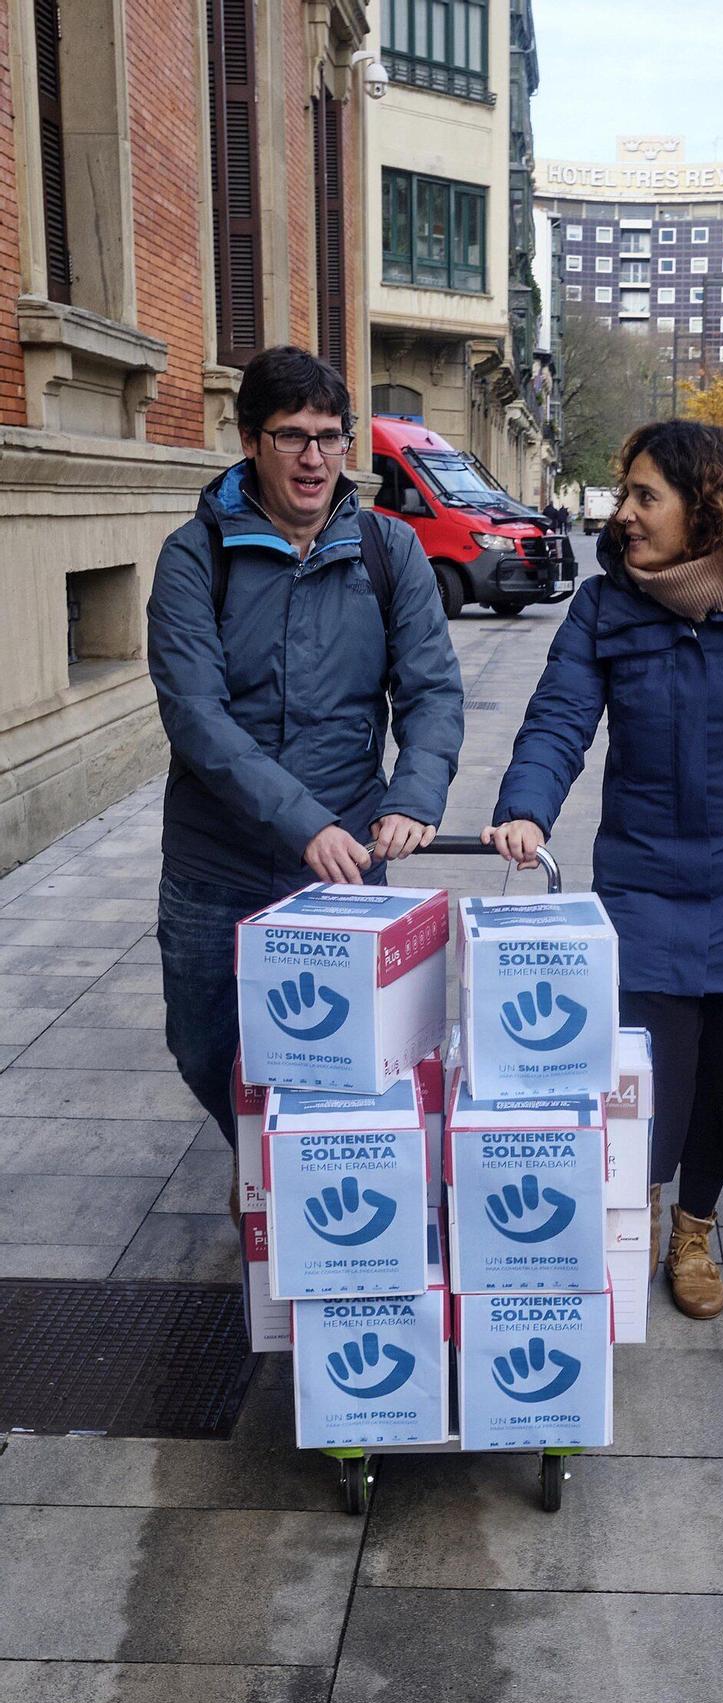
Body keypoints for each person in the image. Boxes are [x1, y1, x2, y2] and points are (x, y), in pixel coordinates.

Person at [483, 420, 723, 1319]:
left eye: (643, 496)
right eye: (624, 495)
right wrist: (525, 807)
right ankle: (639, 1211)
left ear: (704, 505)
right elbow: (558, 716)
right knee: (644, 1079)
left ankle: (694, 1231)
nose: (622, 514)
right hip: (645, 888)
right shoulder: (604, 604)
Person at [147, 345, 463, 1187]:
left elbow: (431, 690)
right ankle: (261, 1162)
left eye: (330, 436)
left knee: (358, 1049)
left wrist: (414, 793)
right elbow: (196, 718)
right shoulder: (195, 556)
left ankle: (300, 1191)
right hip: (215, 865)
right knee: (203, 1045)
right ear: (251, 440)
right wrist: (300, 821)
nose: (315, 457)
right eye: (291, 436)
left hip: (348, 861)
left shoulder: (388, 552)